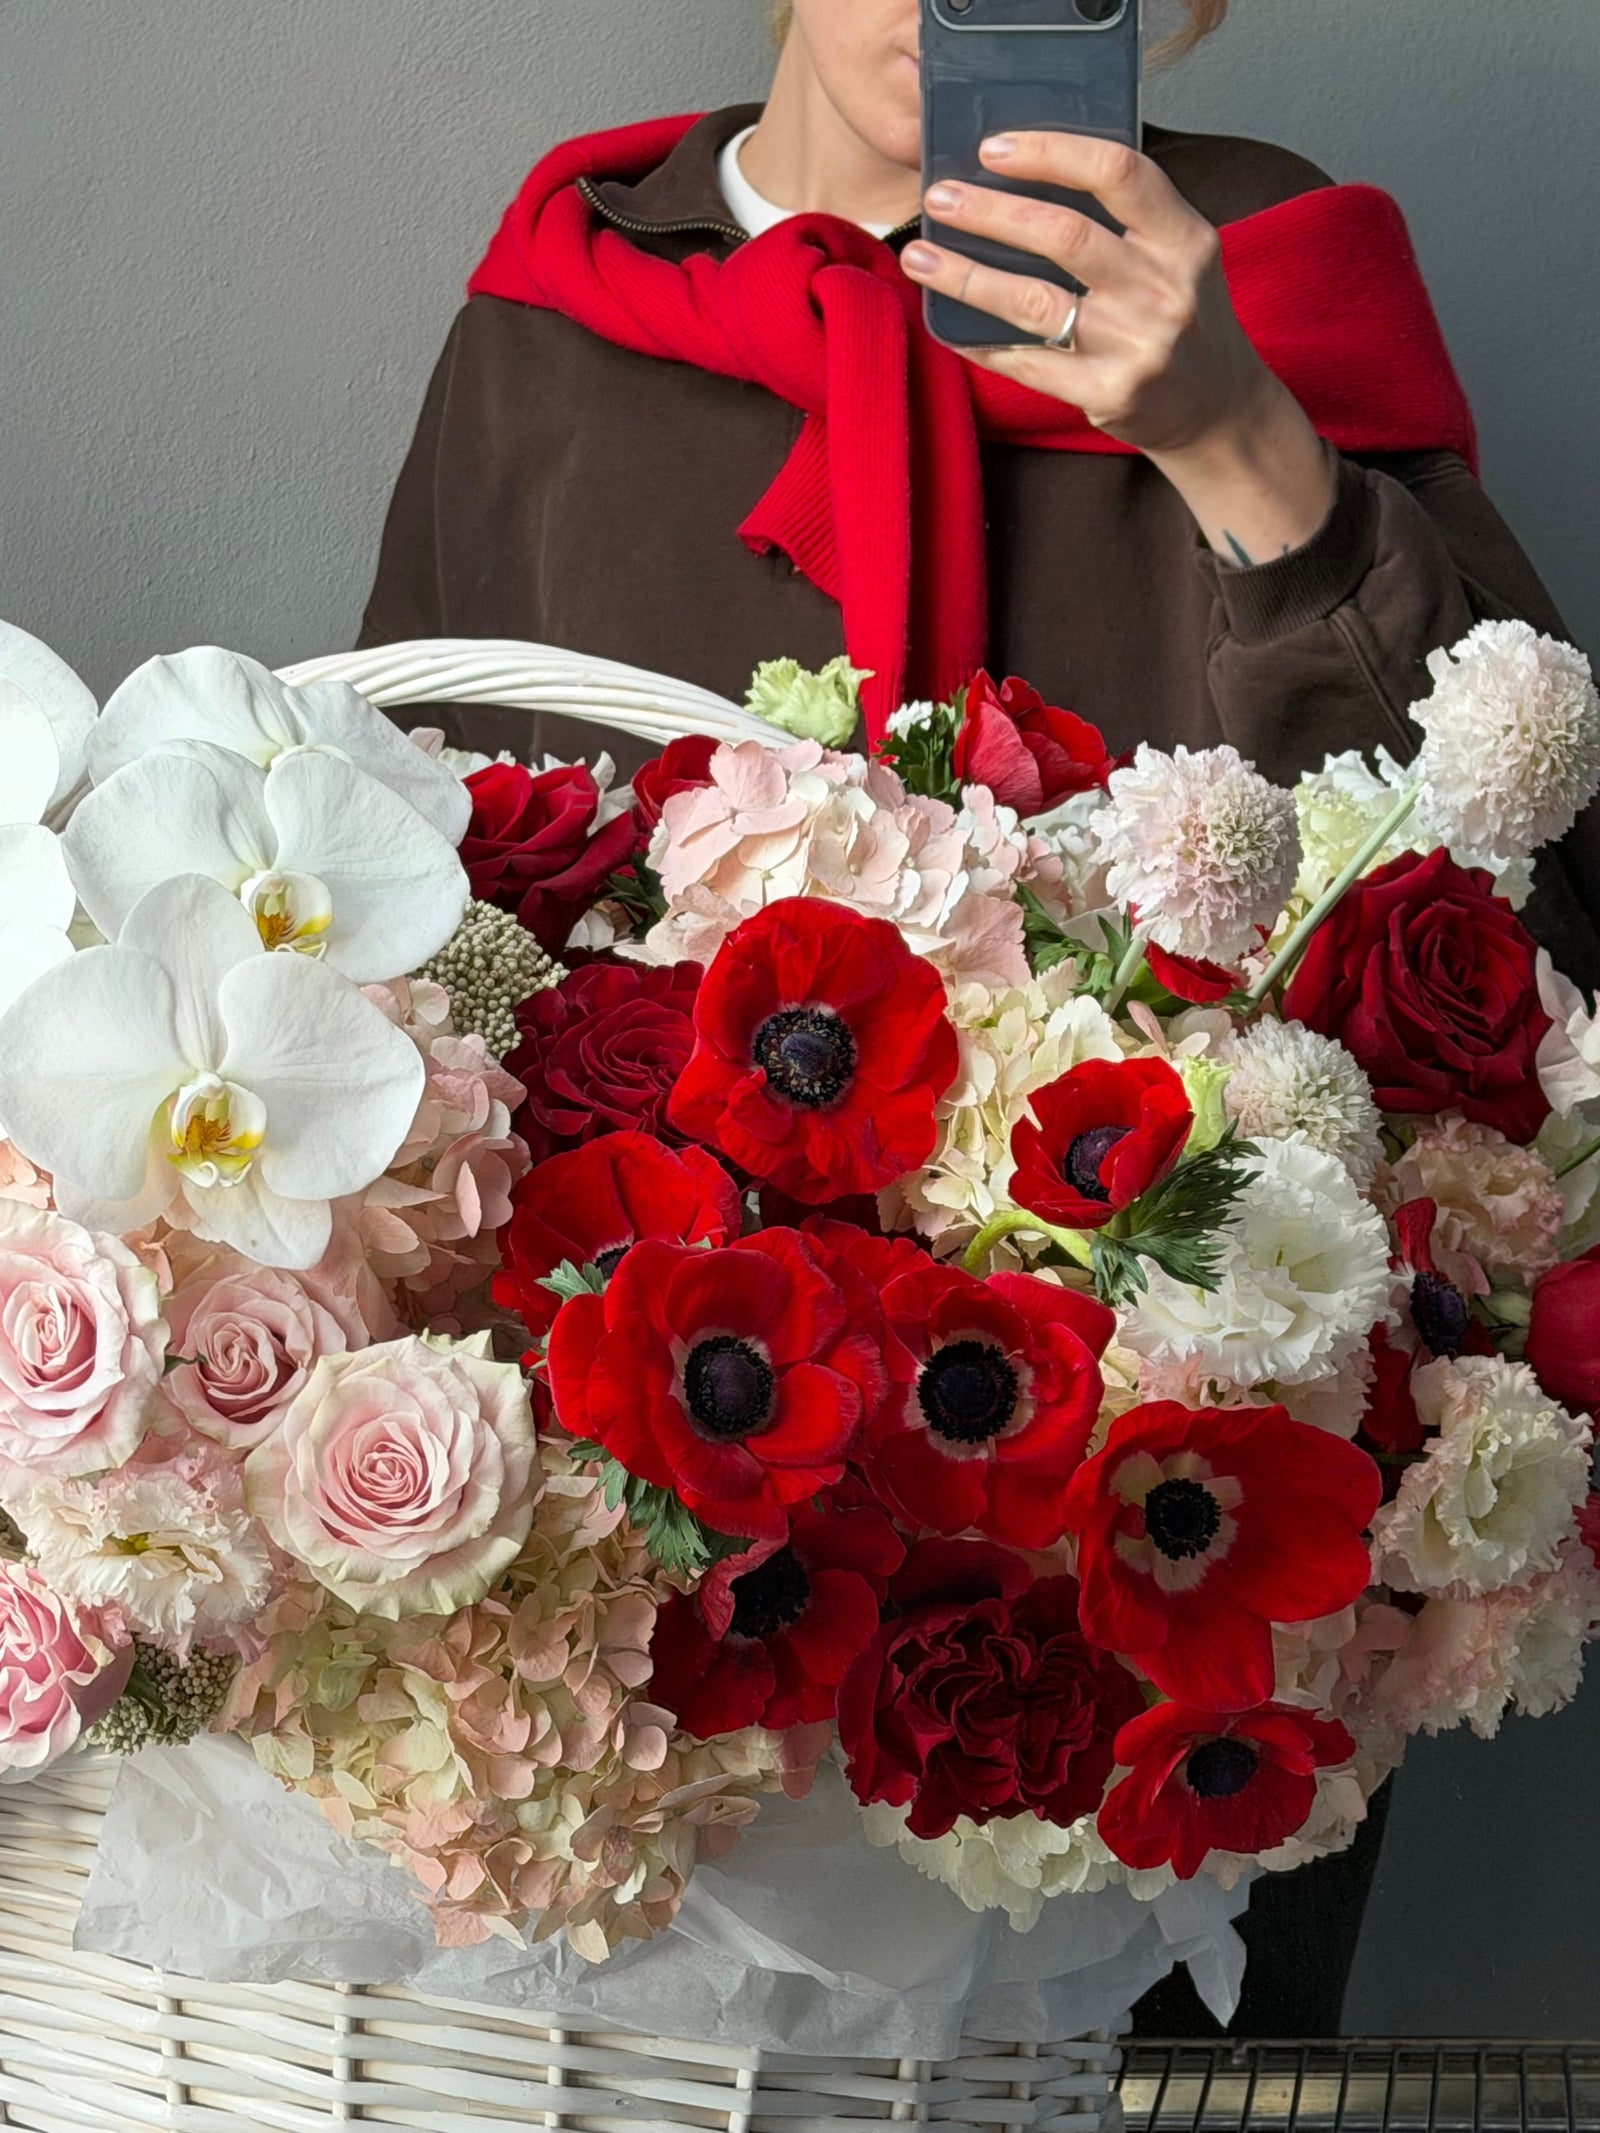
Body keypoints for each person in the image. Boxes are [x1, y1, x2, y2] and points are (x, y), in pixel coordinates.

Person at [358, 0, 1598, 2032]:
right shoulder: (563, 314)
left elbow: (1515, 923)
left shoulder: (1268, 283)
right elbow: (403, 887)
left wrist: (1233, 439)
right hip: (658, 1560)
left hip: (1165, 1564)